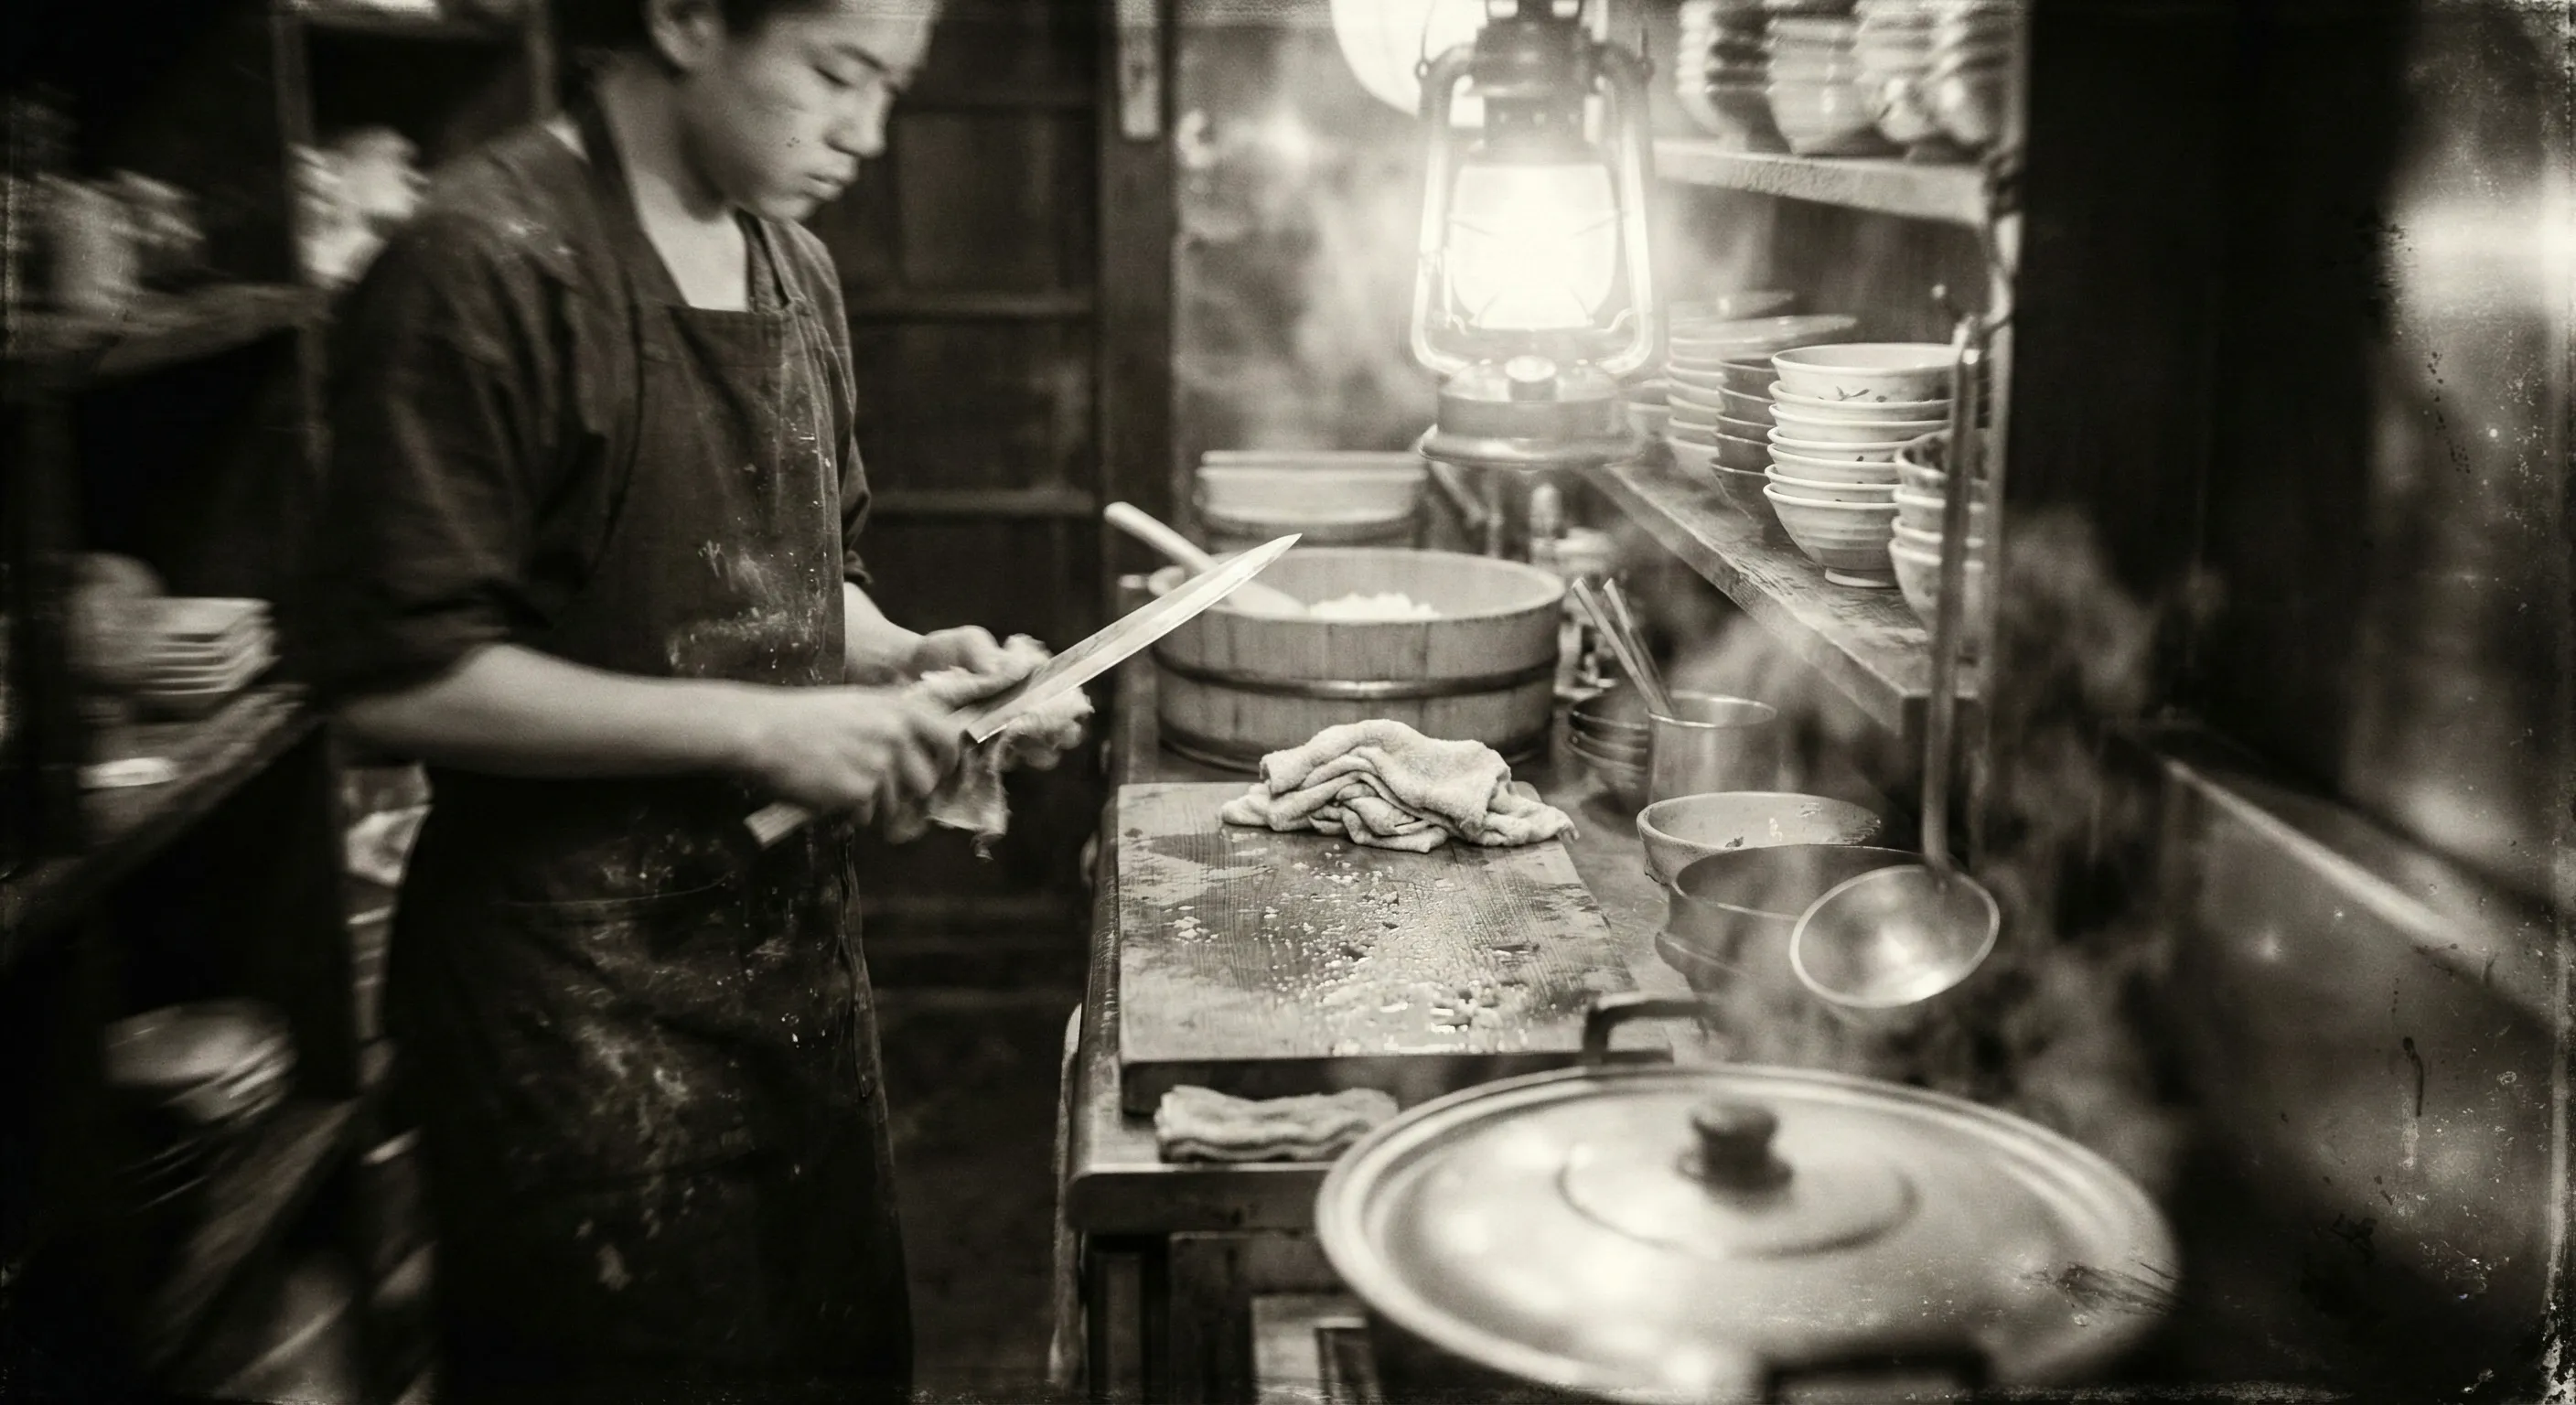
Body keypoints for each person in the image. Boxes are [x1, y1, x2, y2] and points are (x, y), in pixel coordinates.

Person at [295, 2, 1071, 1400]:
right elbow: (392, 676)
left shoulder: (795, 266)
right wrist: (763, 728)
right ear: (688, 17)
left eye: (891, 89)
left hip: (788, 979)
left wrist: (905, 660)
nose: (866, 132)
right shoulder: (482, 263)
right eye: (838, 74)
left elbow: (783, 585)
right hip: (565, 1009)